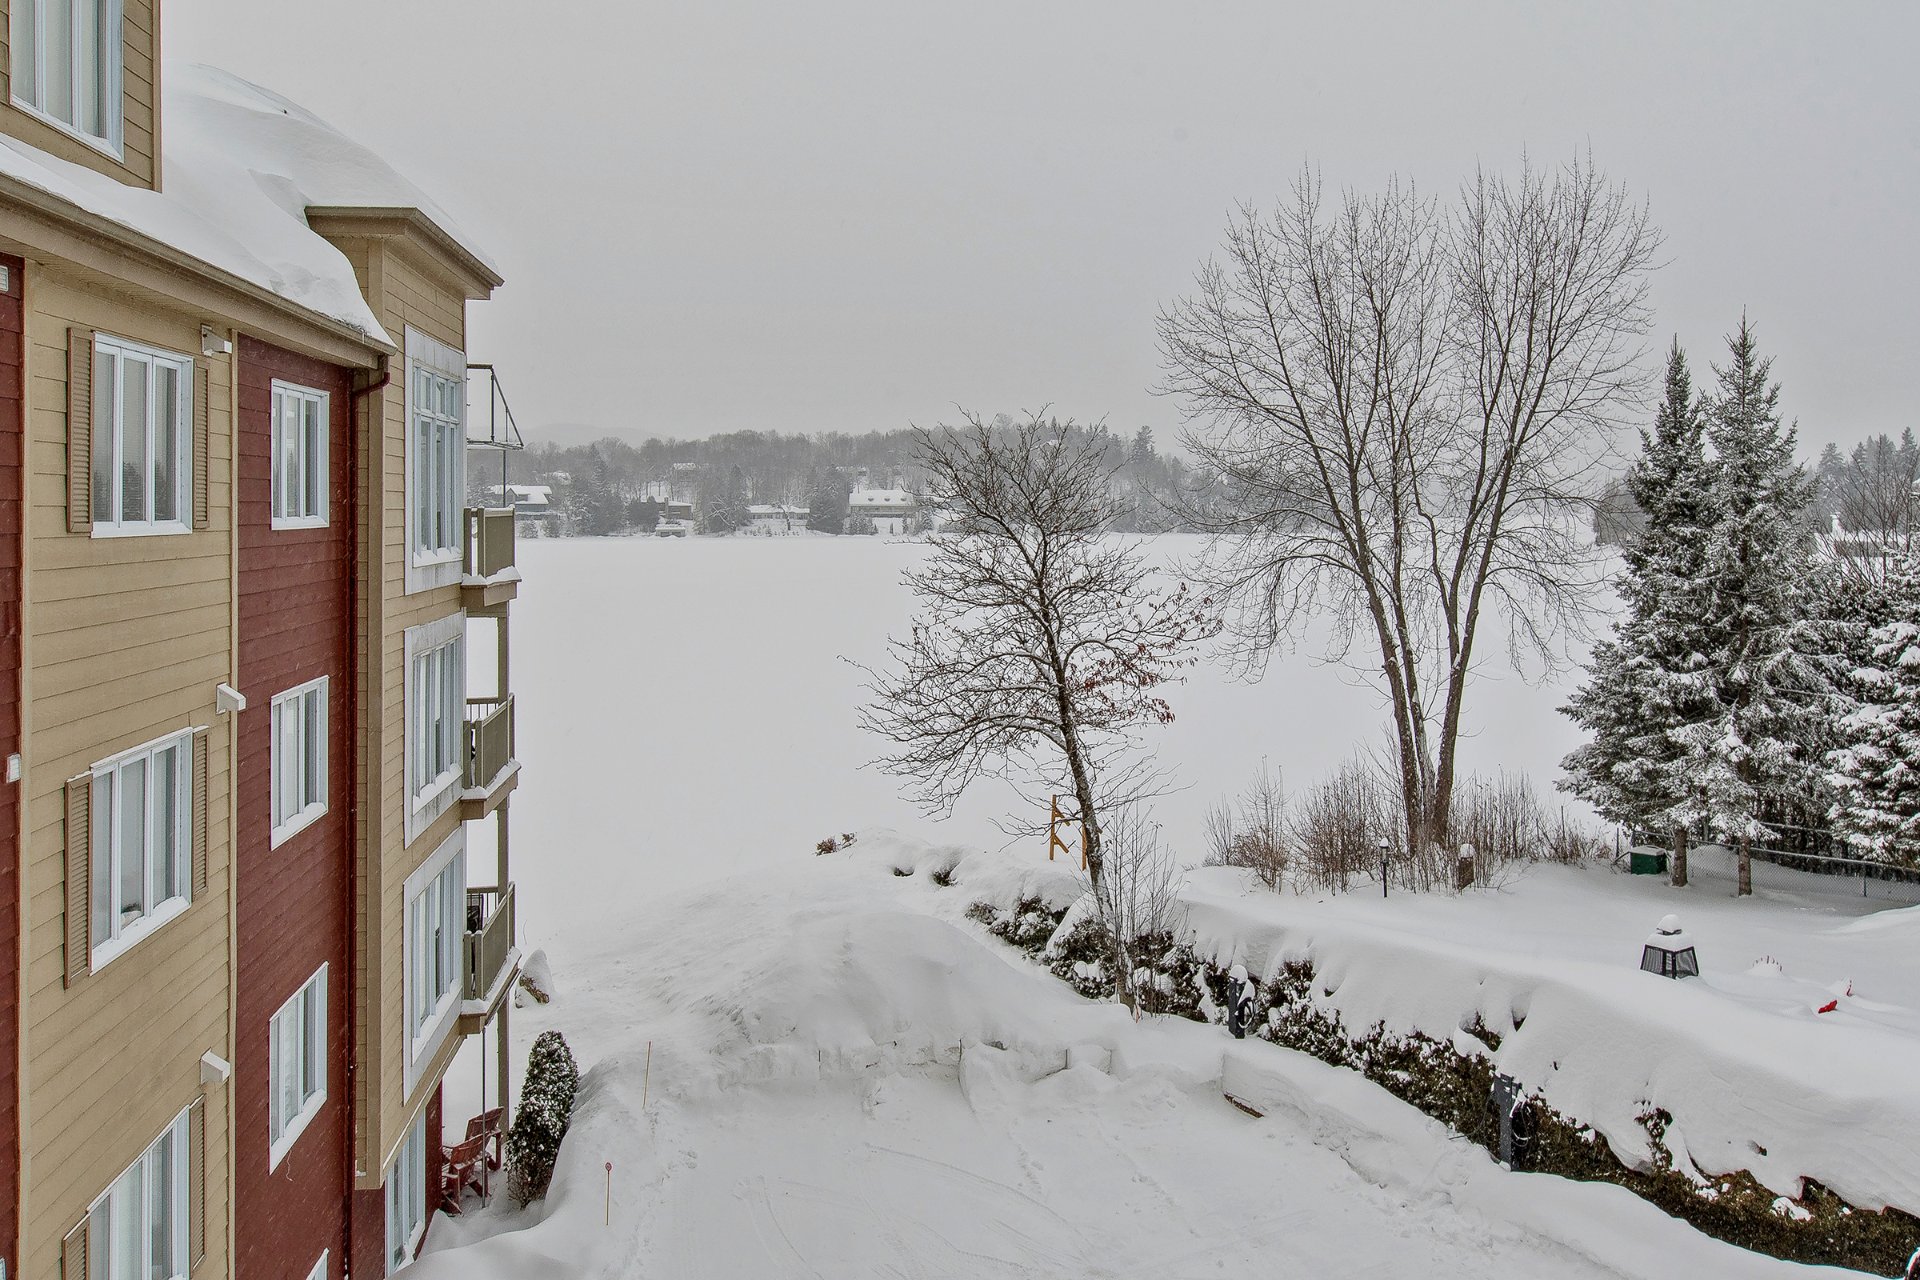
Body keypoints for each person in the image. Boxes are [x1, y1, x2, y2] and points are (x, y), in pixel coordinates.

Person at [1226, 964, 1255, 1039]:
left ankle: (1238, 1032)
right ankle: (1235, 1031)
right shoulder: (1237, 978)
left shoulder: (1241, 980)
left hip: (1238, 980)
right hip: (1237, 980)